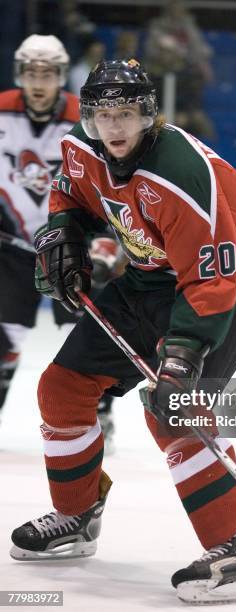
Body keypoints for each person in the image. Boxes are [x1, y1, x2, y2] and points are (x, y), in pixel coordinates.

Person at [9, 58, 236, 604]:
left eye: (126, 113)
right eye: (104, 114)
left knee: (174, 409)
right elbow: (71, 198)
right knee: (61, 388)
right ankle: (77, 515)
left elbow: (212, 276)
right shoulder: (83, 151)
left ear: (148, 114)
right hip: (151, 277)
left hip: (227, 288)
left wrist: (181, 357)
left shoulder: (178, 173)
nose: (115, 126)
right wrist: (62, 235)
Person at [0, 34, 118, 451]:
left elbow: (108, 185)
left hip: (72, 240)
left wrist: (106, 244)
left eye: (48, 73)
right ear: (19, 73)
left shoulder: (84, 118)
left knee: (84, 330)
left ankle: (99, 409)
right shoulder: (0, 110)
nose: (39, 81)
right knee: (5, 332)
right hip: (13, 244)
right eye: (31, 72)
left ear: (61, 75)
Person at [144, 0, 215, 140]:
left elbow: (192, 102)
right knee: (161, 121)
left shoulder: (188, 76)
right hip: (160, 107)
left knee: (200, 123)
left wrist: (188, 114)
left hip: (184, 107)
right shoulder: (154, 77)